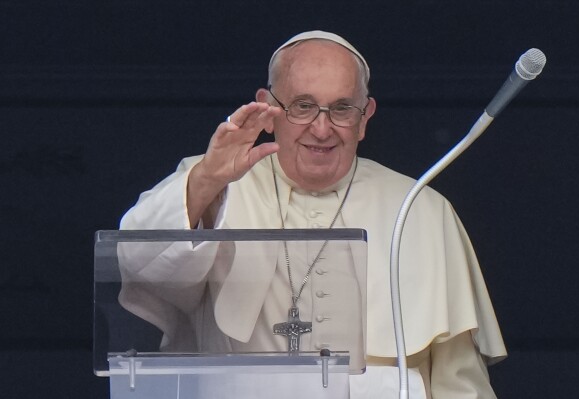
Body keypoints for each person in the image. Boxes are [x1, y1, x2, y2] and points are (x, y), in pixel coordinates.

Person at [118, 30, 507, 398]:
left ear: (365, 117)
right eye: (303, 106)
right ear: (269, 109)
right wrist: (206, 179)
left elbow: (461, 384)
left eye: (341, 109)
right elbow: (137, 263)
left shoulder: (421, 208)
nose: (322, 130)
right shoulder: (214, 182)